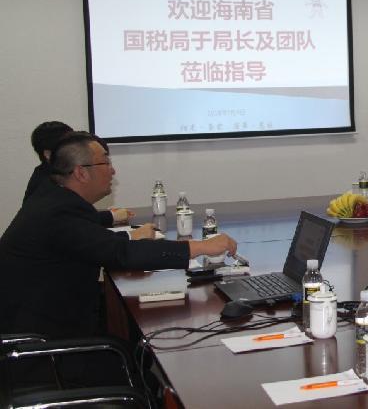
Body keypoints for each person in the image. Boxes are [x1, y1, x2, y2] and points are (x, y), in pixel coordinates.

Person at [0, 132, 236, 338]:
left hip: (46, 323)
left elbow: (96, 243)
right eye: (106, 162)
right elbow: (122, 254)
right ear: (81, 173)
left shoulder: (54, 198)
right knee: (149, 338)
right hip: (46, 345)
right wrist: (200, 247)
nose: (113, 170)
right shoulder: (60, 211)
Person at [25, 121, 133, 227]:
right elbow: (72, 219)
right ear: (48, 155)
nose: (78, 148)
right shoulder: (49, 187)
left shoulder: (51, 178)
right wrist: (112, 216)